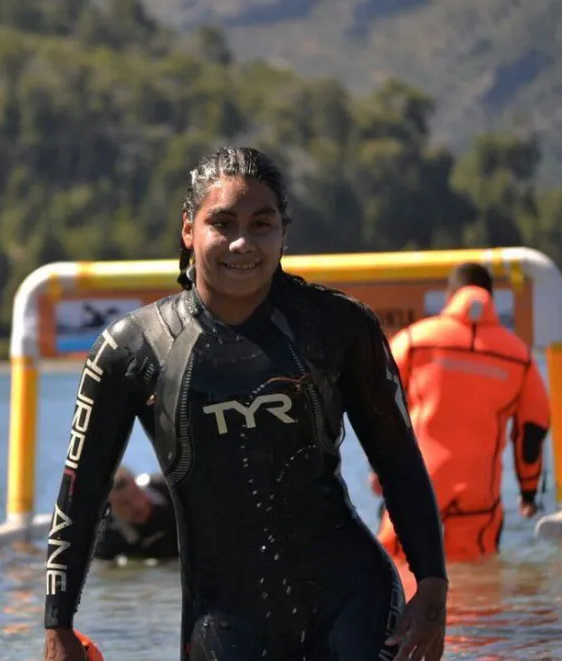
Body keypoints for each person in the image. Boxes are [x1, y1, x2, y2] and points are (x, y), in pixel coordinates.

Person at [42, 147, 448, 661]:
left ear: (284, 232)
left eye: (262, 224)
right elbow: (81, 491)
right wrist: (59, 626)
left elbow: (399, 462)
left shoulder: (338, 328)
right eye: (223, 222)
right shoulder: (132, 349)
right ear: (189, 229)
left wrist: (431, 588)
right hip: (222, 617)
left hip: (350, 599)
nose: (242, 242)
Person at [369, 262, 550, 565]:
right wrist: (529, 492)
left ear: (450, 296)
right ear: (491, 296)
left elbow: (374, 403)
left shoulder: (414, 342)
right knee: (478, 589)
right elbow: (532, 430)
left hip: (414, 489)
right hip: (480, 500)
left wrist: (379, 467)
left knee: (402, 577)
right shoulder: (519, 357)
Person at [94, 465, 179, 561]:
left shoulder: (171, 492)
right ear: (111, 508)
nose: (137, 506)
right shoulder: (105, 540)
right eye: (124, 504)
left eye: (136, 493)